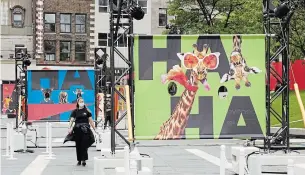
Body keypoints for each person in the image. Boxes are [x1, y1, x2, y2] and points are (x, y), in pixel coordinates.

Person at [68, 97, 96, 166]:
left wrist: (95, 129)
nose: (82, 102)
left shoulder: (87, 111)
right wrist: (69, 127)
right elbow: (71, 120)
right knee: (78, 145)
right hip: (77, 130)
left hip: (85, 130)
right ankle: (79, 160)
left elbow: (91, 121)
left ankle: (84, 160)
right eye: (80, 101)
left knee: (84, 144)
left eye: (83, 101)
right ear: (78, 102)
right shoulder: (75, 111)